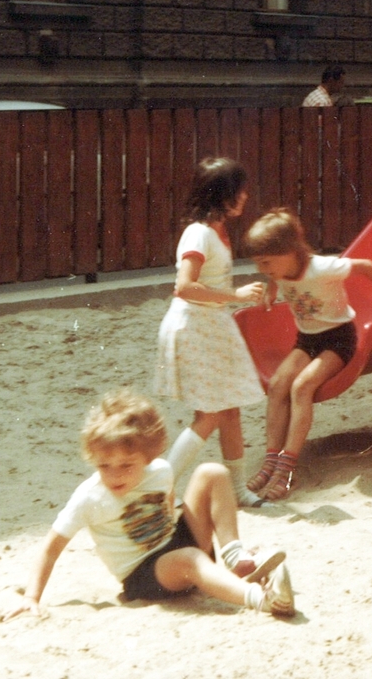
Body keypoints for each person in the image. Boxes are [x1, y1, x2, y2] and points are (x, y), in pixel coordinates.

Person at [0, 390, 294, 620]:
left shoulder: (160, 471)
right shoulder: (89, 497)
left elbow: (168, 508)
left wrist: (198, 528)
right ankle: (262, 599)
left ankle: (234, 558)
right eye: (105, 465)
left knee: (212, 472)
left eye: (127, 465)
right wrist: (31, 597)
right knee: (190, 558)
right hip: (144, 574)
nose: (115, 474)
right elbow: (51, 546)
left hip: (174, 544)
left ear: (148, 456)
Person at [241, 208, 372, 501]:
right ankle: (271, 458)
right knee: (278, 384)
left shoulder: (323, 268)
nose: (263, 269)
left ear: (290, 251)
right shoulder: (280, 268)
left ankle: (287, 468)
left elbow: (368, 266)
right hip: (307, 338)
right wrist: (272, 287)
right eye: (259, 263)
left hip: (338, 339)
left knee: (301, 387)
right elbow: (277, 276)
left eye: (266, 262)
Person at [155, 158, 266, 508]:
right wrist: (236, 296)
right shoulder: (199, 233)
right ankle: (158, 491)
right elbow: (185, 286)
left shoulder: (218, 230)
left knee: (229, 410)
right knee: (210, 415)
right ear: (222, 195)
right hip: (195, 326)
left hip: (213, 325)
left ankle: (237, 491)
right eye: (238, 190)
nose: (245, 196)